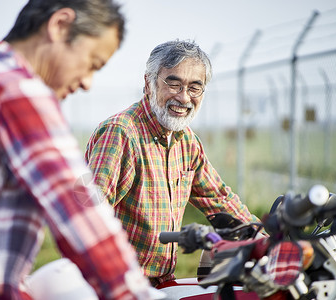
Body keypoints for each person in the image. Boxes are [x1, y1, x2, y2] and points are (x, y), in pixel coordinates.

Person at [0, 1, 151, 299]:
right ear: (59, 25)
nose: (87, 82)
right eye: (92, 63)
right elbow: (78, 214)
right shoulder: (15, 89)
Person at [85, 39, 263, 286]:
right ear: (148, 83)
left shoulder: (186, 140)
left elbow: (219, 199)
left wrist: (265, 240)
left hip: (161, 282)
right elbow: (86, 214)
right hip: (117, 284)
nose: (184, 97)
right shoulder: (121, 133)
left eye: (194, 87)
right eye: (174, 83)